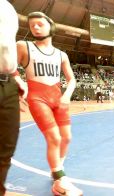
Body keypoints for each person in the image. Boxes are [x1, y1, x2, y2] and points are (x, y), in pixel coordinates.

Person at [16, 12, 83, 195]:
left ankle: (56, 169)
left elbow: (72, 80)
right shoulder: (23, 46)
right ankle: (60, 179)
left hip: (58, 98)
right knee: (54, 138)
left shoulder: (61, 54)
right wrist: (19, 85)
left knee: (66, 138)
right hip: (38, 98)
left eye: (39, 24)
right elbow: (8, 66)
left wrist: (67, 95)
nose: (35, 27)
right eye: (32, 26)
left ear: (50, 26)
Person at [0, 1, 28, 195]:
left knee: (6, 147)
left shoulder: (8, 9)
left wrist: (16, 76)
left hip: (7, 81)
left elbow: (6, 46)